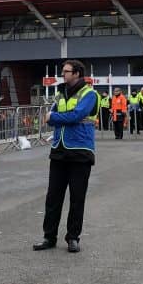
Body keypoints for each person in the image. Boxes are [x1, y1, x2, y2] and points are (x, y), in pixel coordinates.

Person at [34, 59, 97, 253]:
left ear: (77, 73)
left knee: (77, 198)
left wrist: (54, 118)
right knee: (53, 197)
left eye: (66, 72)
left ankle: (73, 237)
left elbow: (75, 116)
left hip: (80, 151)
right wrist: (56, 118)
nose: (63, 75)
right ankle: (48, 236)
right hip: (59, 150)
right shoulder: (60, 93)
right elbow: (52, 116)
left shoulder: (90, 94)